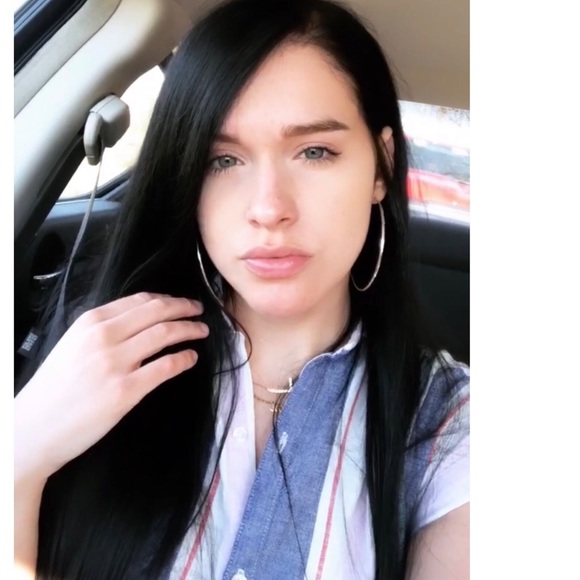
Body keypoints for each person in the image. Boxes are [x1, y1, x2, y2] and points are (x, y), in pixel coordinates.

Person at [14, 0, 470, 578]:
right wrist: (20, 452)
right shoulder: (97, 359)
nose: (268, 209)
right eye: (223, 161)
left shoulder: (449, 428)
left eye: (314, 151)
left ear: (381, 166)